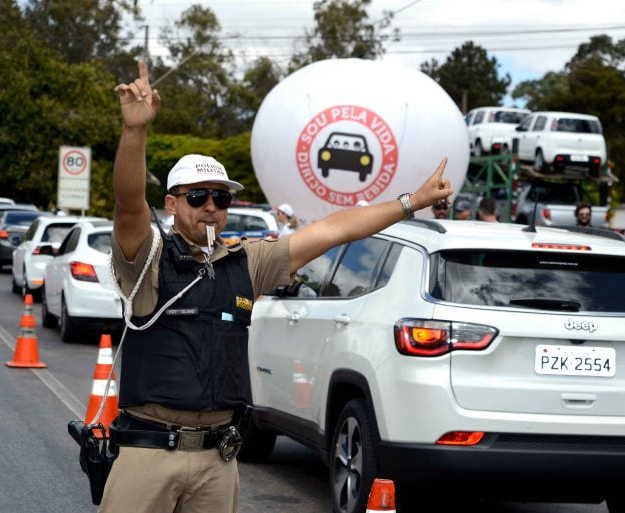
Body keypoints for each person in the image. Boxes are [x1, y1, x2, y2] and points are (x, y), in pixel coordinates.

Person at [101, 59, 452, 513]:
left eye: (221, 197)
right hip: (148, 453)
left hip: (216, 459)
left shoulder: (249, 261)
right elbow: (128, 205)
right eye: (197, 196)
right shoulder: (146, 259)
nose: (211, 207)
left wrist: (411, 202)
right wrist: (135, 132)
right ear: (171, 203)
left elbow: (334, 230)